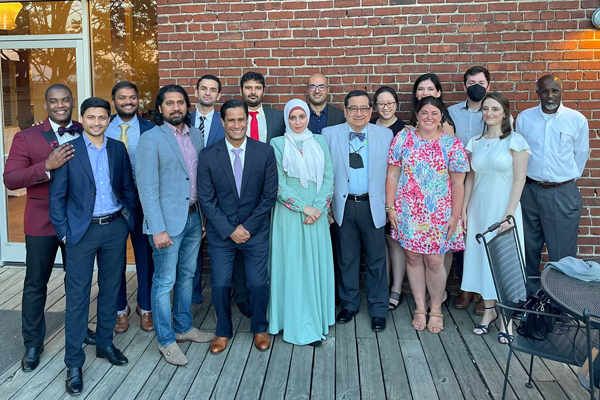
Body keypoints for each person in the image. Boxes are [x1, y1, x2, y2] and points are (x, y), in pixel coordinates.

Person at [3, 84, 95, 372]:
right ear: (46, 105)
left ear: (72, 102)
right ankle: (33, 342)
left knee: (77, 282)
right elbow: (12, 179)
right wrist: (46, 166)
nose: (60, 105)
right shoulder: (26, 137)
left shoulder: (87, 128)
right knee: (35, 284)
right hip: (41, 222)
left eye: (65, 100)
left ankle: (80, 329)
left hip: (79, 221)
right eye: (54, 101)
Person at [49, 97, 137, 396]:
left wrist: (127, 221)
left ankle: (104, 344)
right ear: (82, 119)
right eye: (91, 117)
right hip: (80, 233)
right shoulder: (68, 151)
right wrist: (63, 233)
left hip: (113, 228)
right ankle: (74, 363)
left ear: (108, 120)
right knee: (77, 299)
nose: (97, 122)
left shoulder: (117, 148)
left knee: (112, 290)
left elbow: (126, 187)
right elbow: (57, 197)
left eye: (102, 117)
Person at [136, 85, 215, 367]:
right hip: (166, 224)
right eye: (169, 103)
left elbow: (201, 178)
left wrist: (204, 216)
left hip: (194, 217)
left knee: (187, 274)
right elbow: (146, 188)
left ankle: (183, 327)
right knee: (164, 281)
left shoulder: (195, 134)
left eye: (180, 102)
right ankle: (166, 340)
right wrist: (156, 228)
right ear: (160, 108)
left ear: (187, 106)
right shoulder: (150, 139)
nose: (176, 107)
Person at [197, 99, 278, 354]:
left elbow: (269, 195)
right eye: (230, 120)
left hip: (255, 232)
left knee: (258, 283)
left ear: (248, 120)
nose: (236, 124)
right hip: (222, 233)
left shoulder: (264, 152)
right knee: (220, 283)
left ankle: (259, 328)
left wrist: (248, 228)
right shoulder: (209, 155)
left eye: (241, 119)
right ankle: (223, 331)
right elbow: (206, 199)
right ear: (222, 122)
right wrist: (230, 229)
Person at [386, 96, 469, 334]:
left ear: (441, 116)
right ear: (417, 115)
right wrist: (390, 208)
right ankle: (419, 307)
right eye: (424, 112)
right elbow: (392, 175)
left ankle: (436, 309)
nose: (429, 117)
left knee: (434, 260)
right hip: (408, 211)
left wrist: (455, 216)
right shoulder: (403, 139)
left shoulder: (452, 145)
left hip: (439, 213)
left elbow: (458, 184)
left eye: (434, 113)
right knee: (412, 258)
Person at [461, 92, 530, 344]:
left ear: (505, 113)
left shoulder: (515, 140)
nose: (489, 113)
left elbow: (520, 179)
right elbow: (470, 178)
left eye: (494, 109)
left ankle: (506, 317)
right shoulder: (475, 142)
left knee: (505, 263)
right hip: (479, 208)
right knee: (483, 259)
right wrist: (464, 209)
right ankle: (488, 311)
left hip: (504, 209)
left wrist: (509, 213)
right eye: (485, 109)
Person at [267, 99, 335, 346]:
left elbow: (328, 177)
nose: (297, 122)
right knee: (293, 266)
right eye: (293, 118)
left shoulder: (320, 142)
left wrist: (317, 208)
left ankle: (314, 319)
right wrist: (302, 207)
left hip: (315, 214)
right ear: (287, 119)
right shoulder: (277, 144)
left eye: (301, 117)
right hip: (289, 214)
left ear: (308, 118)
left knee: (312, 266)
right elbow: (277, 183)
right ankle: (292, 322)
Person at [323, 90, 392, 332]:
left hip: (373, 205)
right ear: (345, 110)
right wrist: (328, 206)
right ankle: (349, 304)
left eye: (364, 108)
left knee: (376, 260)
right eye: (353, 108)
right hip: (343, 206)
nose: (358, 113)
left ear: (371, 111)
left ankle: (378, 308)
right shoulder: (329, 134)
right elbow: (325, 174)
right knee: (346, 259)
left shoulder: (386, 135)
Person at [516, 75, 589, 295]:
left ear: (561, 91)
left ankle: (562, 305)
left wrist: (562, 179)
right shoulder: (524, 118)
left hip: (561, 191)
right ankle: (531, 301)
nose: (550, 96)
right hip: (529, 191)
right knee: (528, 249)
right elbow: (520, 153)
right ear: (537, 93)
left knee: (562, 254)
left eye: (554, 91)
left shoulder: (576, 120)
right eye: (545, 91)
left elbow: (581, 155)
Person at [232, 71, 284, 317]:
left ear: (264, 90)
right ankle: (242, 296)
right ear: (241, 90)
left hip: (270, 191)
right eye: (248, 87)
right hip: (238, 193)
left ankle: (267, 293)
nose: (252, 92)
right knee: (241, 244)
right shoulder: (233, 116)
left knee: (267, 245)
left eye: (257, 87)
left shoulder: (277, 117)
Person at [106, 81, 156, 333]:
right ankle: (120, 309)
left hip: (143, 201)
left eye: (132, 97)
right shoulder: (102, 127)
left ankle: (145, 307)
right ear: (114, 100)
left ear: (138, 100)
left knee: (145, 256)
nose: (128, 101)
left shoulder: (151, 129)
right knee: (115, 259)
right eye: (122, 97)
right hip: (112, 203)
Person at [448, 66, 491, 313]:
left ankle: (484, 292)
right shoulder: (452, 112)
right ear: (464, 86)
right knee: (463, 233)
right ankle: (466, 287)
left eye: (481, 82)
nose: (476, 85)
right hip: (459, 180)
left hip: (486, 181)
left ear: (488, 86)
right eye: (471, 82)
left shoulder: (497, 111)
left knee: (484, 234)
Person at [190, 74, 226, 306]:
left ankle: (219, 298)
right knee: (190, 250)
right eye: (204, 88)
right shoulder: (183, 119)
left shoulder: (226, 122)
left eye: (212, 90)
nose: (207, 93)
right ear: (196, 92)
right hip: (189, 194)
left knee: (216, 248)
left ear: (218, 96)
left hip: (217, 195)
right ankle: (191, 296)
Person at [370, 86, 406, 310]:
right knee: (379, 239)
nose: (386, 107)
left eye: (390, 103)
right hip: (373, 190)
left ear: (396, 105)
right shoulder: (369, 125)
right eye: (381, 104)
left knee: (394, 240)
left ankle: (396, 288)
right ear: (375, 106)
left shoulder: (404, 130)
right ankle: (382, 285)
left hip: (398, 192)